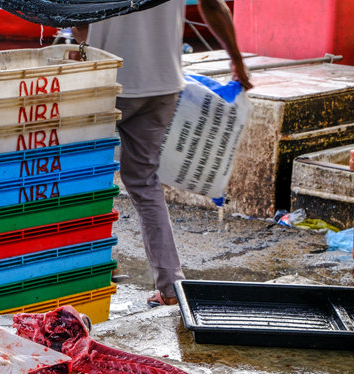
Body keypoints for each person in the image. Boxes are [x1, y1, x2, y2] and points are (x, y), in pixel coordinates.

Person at [74, 0, 251, 307]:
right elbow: (213, 5)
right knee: (143, 180)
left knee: (86, 175)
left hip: (109, 79)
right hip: (164, 82)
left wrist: (84, 44)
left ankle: (94, 269)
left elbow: (78, 20)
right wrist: (237, 61)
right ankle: (170, 286)